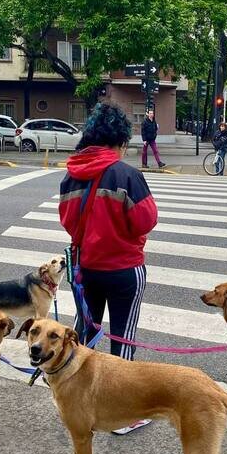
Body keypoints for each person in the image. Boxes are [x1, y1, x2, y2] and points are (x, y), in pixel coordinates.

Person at [59, 103, 158, 433]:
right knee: (122, 337)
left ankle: (73, 397)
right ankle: (123, 414)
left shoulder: (70, 176)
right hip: (124, 270)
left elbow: (67, 221)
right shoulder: (127, 175)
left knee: (84, 334)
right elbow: (146, 220)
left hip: (85, 269)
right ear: (119, 141)